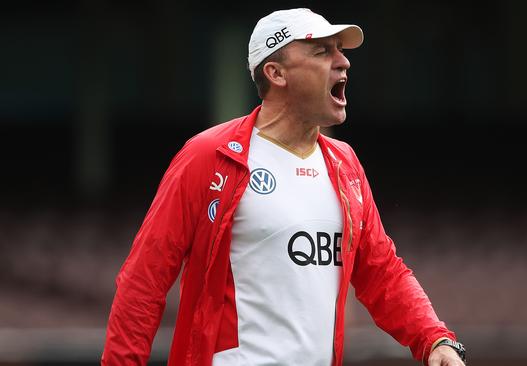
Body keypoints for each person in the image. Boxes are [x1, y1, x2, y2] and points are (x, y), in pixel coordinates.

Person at [102, 8, 466, 366]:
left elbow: (382, 271)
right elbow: (143, 282)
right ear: (276, 73)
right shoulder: (207, 156)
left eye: (340, 50)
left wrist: (433, 338)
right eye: (323, 51)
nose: (344, 62)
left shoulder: (345, 164)